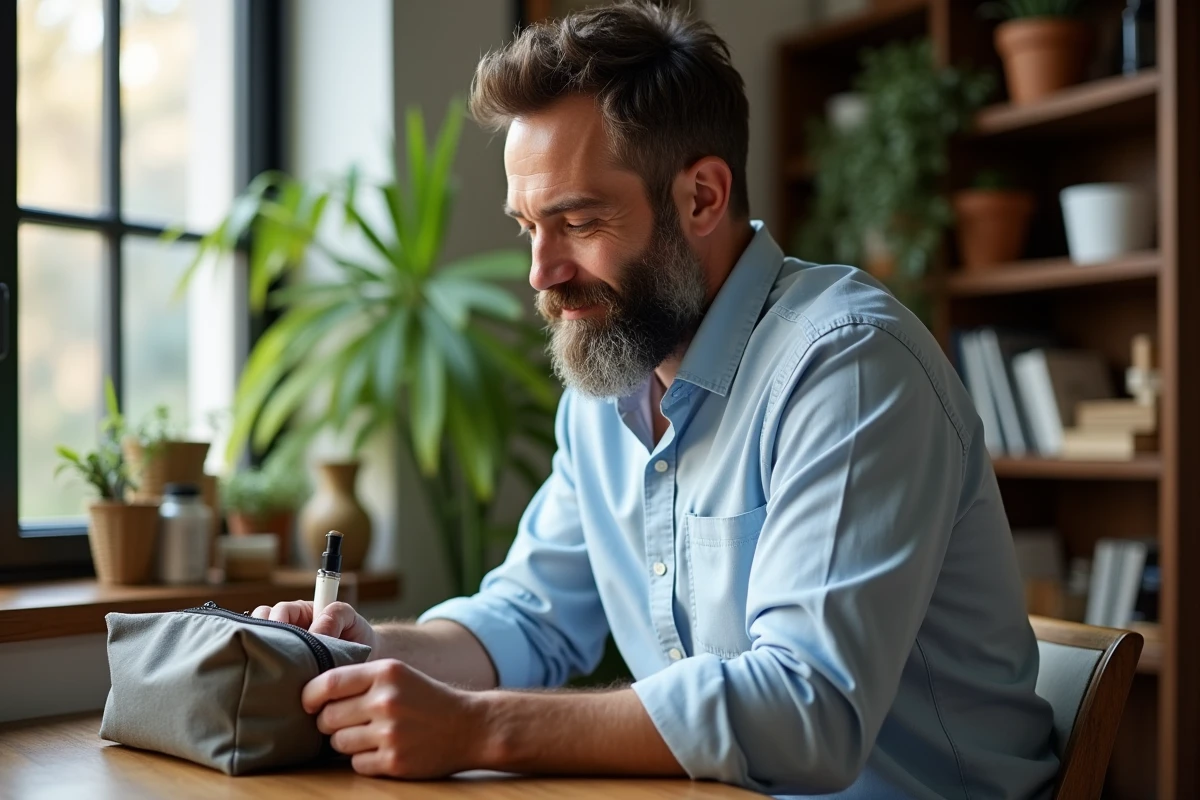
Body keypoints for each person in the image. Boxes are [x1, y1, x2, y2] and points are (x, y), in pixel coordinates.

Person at [255, 3, 1058, 797]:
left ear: (702, 197)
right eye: (528, 226)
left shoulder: (847, 367)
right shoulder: (611, 384)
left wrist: (476, 726)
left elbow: (806, 713)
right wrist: (368, 649)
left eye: (576, 220)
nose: (541, 272)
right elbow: (529, 617)